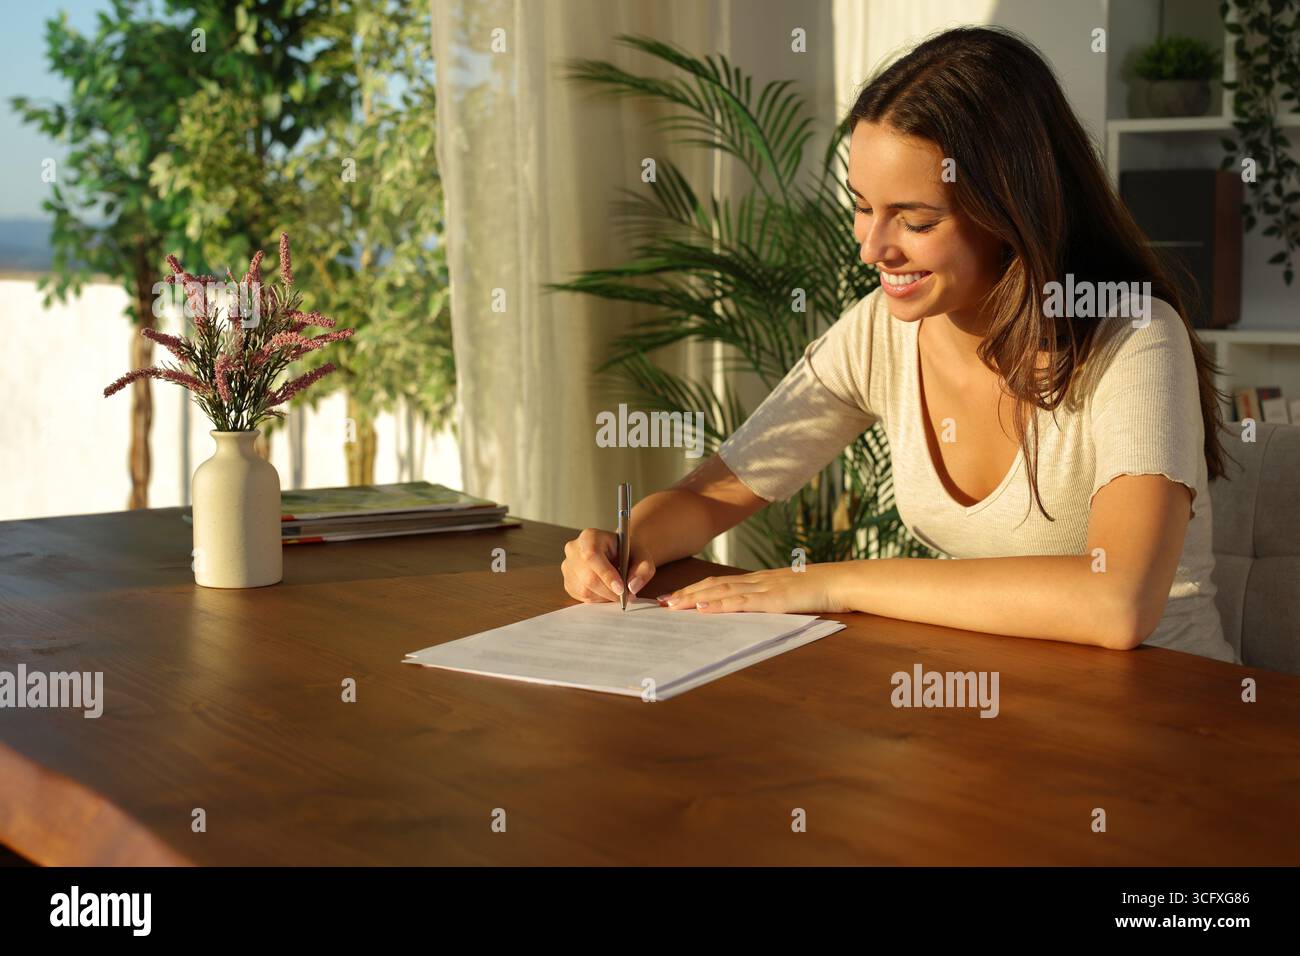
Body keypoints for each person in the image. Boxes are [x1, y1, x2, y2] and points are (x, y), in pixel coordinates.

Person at [561, 25, 1240, 663]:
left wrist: (832, 584)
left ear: (1011, 210)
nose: (871, 248)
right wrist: (627, 545)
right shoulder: (880, 331)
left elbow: (1117, 602)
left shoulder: (1134, 339)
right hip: (1015, 717)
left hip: (1169, 727)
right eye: (862, 206)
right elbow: (715, 496)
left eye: (915, 220)